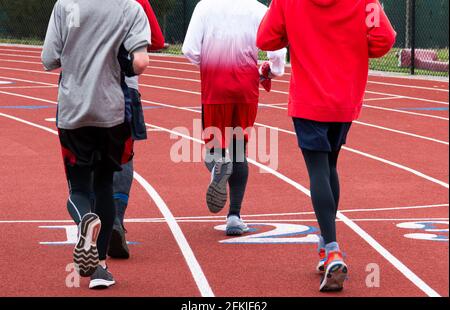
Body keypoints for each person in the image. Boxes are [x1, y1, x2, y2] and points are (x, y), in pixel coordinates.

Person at [257, 0, 396, 291]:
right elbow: (384, 40)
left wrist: (294, 34)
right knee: (330, 166)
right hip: (346, 97)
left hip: (309, 98)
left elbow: (265, 38)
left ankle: (332, 249)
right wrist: (355, 47)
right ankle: (325, 245)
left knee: (319, 170)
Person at [42, 0, 150, 289]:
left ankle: (84, 221)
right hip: (112, 110)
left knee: (78, 189)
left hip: (73, 109)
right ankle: (101, 269)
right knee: (104, 185)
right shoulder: (130, 7)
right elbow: (140, 63)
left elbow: (48, 58)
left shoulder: (65, 4)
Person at [182, 0, 286, 236]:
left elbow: (190, 50)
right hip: (246, 87)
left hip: (214, 86)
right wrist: (273, 70)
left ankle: (218, 163)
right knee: (240, 150)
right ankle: (234, 217)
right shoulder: (260, 10)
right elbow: (277, 51)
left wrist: (210, 64)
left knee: (213, 148)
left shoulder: (204, 7)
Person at [108, 0, 165, 260]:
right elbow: (155, 39)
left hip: (81, 91)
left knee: (85, 156)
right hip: (125, 87)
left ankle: (89, 220)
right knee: (123, 156)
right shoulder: (135, 2)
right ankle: (117, 219)